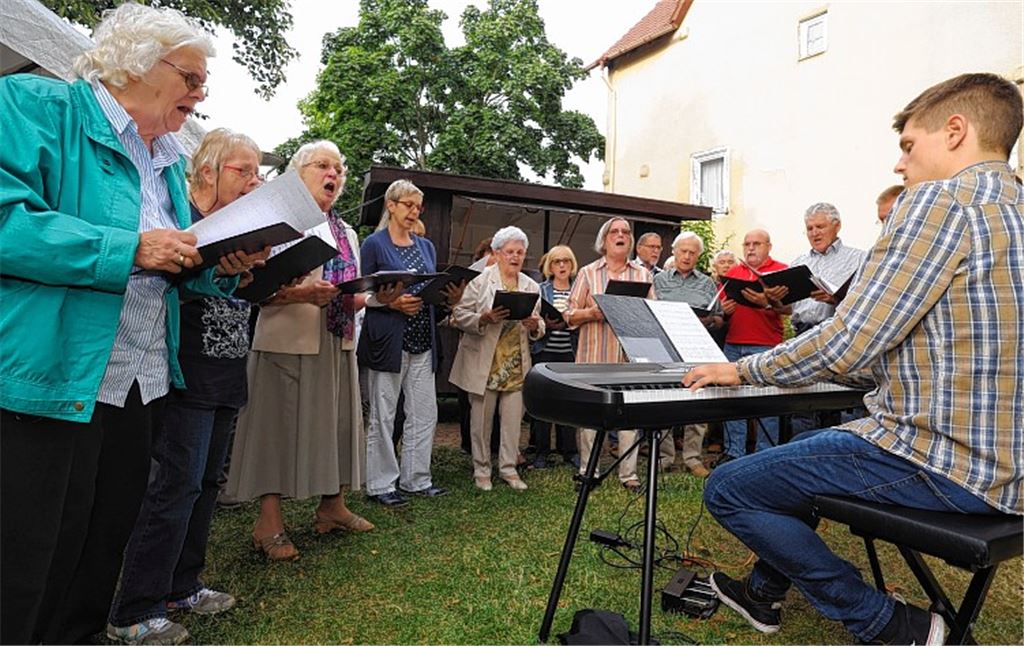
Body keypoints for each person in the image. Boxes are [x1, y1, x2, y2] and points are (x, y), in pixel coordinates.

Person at [683, 72, 1023, 645]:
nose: (900, 165)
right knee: (801, 455)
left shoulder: (941, 202)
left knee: (731, 487)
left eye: (909, 145)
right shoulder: (1012, 209)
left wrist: (742, 369)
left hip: (944, 461)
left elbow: (850, 338)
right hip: (1008, 467)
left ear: (957, 131)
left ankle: (886, 622)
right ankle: (762, 594)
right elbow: (959, 342)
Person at [0, 4, 255, 642]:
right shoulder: (34, 106)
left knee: (99, 545)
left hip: (137, 381)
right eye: (191, 78)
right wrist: (128, 249)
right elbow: (7, 222)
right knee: (29, 556)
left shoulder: (166, 159)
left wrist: (218, 263)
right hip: (48, 376)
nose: (201, 94)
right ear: (137, 65)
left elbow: (170, 263)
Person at [107, 129, 268, 642]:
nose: (253, 181)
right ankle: (135, 607)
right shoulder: (181, 219)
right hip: (183, 372)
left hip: (227, 371)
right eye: (242, 170)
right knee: (173, 487)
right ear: (207, 171)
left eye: (256, 172)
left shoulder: (244, 227)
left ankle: (183, 585)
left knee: (207, 485)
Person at [225, 140, 382, 562]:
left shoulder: (344, 231)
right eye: (322, 166)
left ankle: (332, 507)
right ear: (298, 173)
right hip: (287, 339)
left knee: (339, 422)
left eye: (338, 169)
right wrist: (300, 294)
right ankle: (268, 524)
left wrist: (380, 293)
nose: (333, 174)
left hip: (336, 338)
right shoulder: (276, 221)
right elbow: (252, 290)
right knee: (276, 428)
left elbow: (350, 292)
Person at [359, 180, 462, 507]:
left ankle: (417, 479)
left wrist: (451, 299)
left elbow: (429, 293)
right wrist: (389, 303)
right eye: (408, 205)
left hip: (422, 338)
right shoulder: (373, 244)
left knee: (425, 413)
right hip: (387, 338)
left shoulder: (426, 247)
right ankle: (380, 485)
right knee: (384, 413)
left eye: (418, 207)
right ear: (391, 205)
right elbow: (360, 293)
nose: (414, 212)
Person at [449, 227, 544, 490]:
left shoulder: (531, 285)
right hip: (485, 363)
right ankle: (481, 470)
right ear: (497, 253)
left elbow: (541, 324)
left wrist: (534, 325)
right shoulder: (480, 282)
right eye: (510, 251)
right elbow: (458, 315)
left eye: (520, 252)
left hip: (515, 364)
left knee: (512, 423)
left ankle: (508, 469)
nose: (515, 257)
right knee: (480, 421)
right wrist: (483, 318)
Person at [566, 217, 652, 493]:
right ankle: (587, 471)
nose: (621, 235)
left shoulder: (643, 275)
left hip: (629, 359)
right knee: (591, 418)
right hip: (593, 356)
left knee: (629, 419)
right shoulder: (587, 273)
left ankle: (628, 475)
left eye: (626, 232)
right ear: (603, 241)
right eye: (614, 231)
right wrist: (591, 313)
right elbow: (568, 314)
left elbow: (654, 316)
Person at [652, 232, 724, 478]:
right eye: (683, 251)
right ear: (673, 252)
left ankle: (693, 458)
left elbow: (719, 318)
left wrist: (708, 320)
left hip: (696, 348)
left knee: (697, 403)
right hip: (665, 349)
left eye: (692, 252)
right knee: (664, 403)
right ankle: (665, 457)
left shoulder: (707, 283)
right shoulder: (658, 280)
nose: (687, 256)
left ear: (699, 256)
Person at [718, 229, 789, 460]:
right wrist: (725, 312)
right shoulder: (733, 273)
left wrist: (768, 302)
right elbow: (721, 311)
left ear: (769, 246)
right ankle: (733, 452)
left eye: (756, 243)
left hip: (766, 345)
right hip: (733, 344)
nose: (750, 248)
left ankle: (765, 453)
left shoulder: (781, 271)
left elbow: (789, 310)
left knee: (767, 403)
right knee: (732, 401)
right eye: (747, 243)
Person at [528, 245, 580, 470]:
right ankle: (541, 452)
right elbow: (531, 318)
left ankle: (569, 451)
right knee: (543, 404)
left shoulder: (579, 288)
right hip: (544, 351)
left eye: (566, 261)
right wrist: (544, 324)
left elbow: (584, 315)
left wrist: (574, 320)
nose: (562, 266)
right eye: (557, 261)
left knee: (569, 404)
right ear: (549, 266)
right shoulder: (540, 289)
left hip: (570, 353)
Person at [789, 203, 866, 338]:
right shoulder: (798, 263)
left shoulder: (859, 259)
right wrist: (772, 300)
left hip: (838, 334)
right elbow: (789, 307)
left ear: (837, 226)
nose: (814, 233)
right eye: (809, 228)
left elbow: (866, 302)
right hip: (801, 334)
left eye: (820, 227)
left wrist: (836, 299)